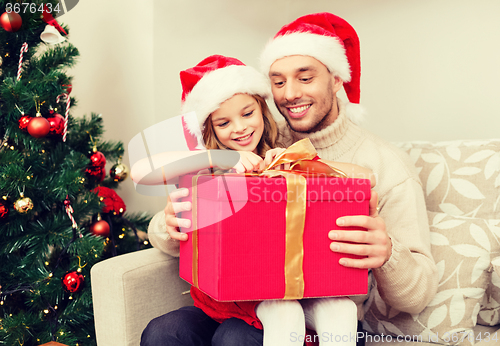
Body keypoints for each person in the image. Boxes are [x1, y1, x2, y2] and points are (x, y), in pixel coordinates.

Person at [157, 12, 439, 345]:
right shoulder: (259, 143)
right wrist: (170, 222)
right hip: (242, 299)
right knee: (164, 332)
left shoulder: (387, 163)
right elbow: (191, 223)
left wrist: (388, 253)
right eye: (278, 82)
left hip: (320, 305)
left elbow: (417, 295)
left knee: (238, 336)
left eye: (305, 78)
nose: (289, 94)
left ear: (336, 79)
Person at [137, 54, 376, 346]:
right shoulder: (203, 171)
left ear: (262, 111)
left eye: (247, 114)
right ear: (209, 130)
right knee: (163, 331)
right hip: (219, 305)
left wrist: (295, 163)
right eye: (224, 122)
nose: (239, 128)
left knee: (237, 336)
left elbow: (365, 178)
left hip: (277, 299)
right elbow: (149, 174)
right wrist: (224, 162)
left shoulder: (284, 156)